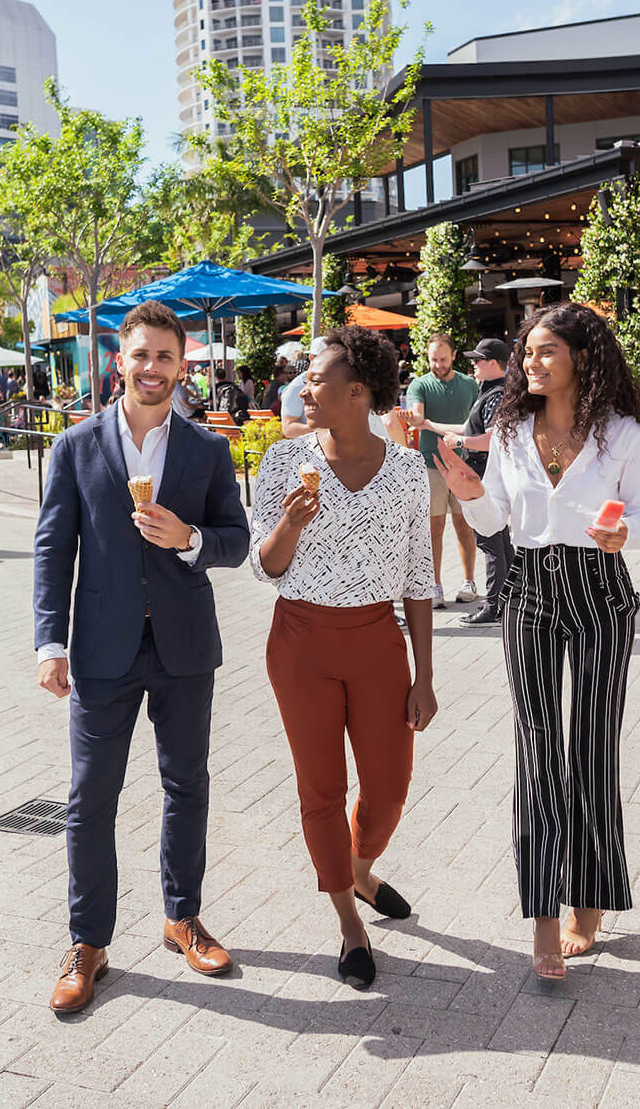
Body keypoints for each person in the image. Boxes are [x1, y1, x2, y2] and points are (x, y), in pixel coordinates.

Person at [33, 300, 252, 1015]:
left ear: (181, 365)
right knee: (90, 797)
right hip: (101, 648)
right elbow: (52, 549)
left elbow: (236, 539)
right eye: (140, 355)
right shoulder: (74, 447)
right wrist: (50, 640)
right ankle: (88, 941)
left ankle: (182, 918)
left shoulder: (208, 449)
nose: (151, 367)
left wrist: (188, 537)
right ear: (117, 362)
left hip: (185, 645)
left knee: (187, 785)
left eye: (165, 356)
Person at [435, 302, 640, 980]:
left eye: (544, 352)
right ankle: (540, 915)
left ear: (582, 359)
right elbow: (497, 518)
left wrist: (626, 534)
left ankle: (587, 903)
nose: (530, 363)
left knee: (592, 745)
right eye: (527, 353)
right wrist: (470, 493)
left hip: (599, 591)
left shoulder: (620, 433)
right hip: (528, 590)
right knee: (536, 749)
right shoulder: (508, 430)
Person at [250, 324, 436, 991]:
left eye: (318, 375)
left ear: (357, 391)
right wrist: (291, 524)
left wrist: (426, 675)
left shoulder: (409, 470)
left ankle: (358, 868)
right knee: (320, 788)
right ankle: (348, 921)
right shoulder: (279, 462)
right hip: (300, 641)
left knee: (387, 787)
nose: (304, 385)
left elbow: (419, 576)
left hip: (378, 641)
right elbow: (266, 567)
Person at [420, 337, 511, 626]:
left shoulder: (496, 394)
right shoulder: (492, 391)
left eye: (478, 359)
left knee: (489, 539)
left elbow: (494, 438)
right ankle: (509, 600)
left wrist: (461, 441)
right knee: (499, 538)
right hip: (487, 475)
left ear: (493, 363)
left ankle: (495, 605)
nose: (473, 364)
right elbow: (470, 428)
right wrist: (430, 425)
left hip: (485, 477)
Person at [404, 333, 480, 607]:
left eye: (443, 359)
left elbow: (476, 422)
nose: (438, 364)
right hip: (431, 464)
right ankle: (435, 584)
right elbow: (417, 413)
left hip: (463, 463)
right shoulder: (419, 384)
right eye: (433, 359)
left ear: (454, 356)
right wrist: (414, 418)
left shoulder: (469, 384)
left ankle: (469, 581)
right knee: (434, 528)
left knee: (464, 525)